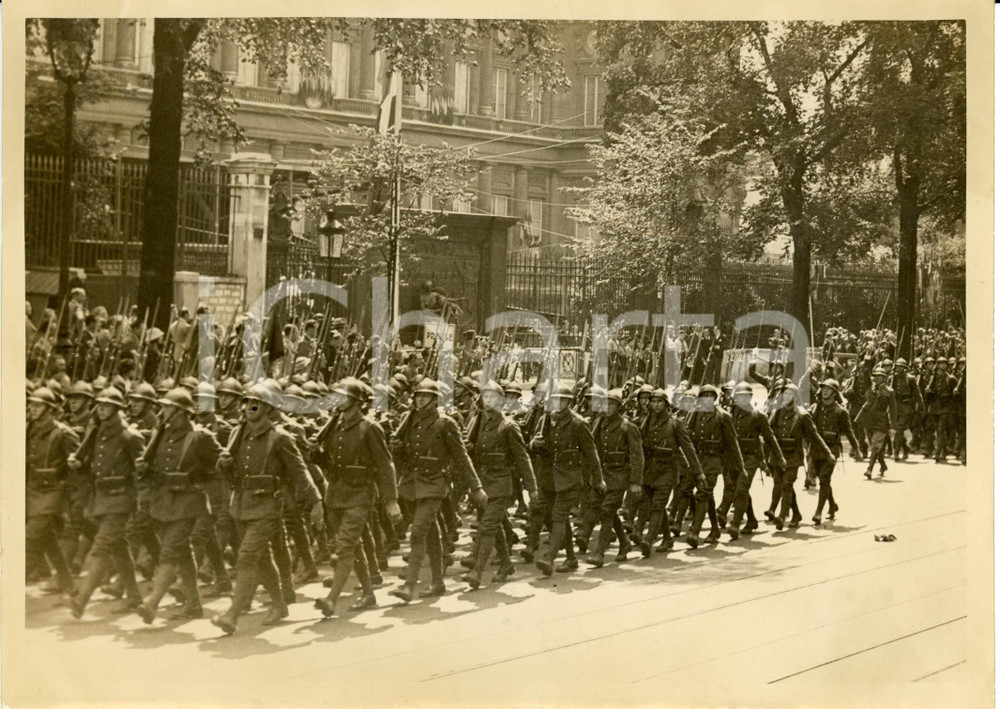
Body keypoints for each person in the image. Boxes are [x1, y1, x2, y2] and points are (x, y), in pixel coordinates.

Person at [211, 384, 320, 634]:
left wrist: (316, 502)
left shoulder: (280, 437)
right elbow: (230, 470)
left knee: (247, 556)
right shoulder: (238, 434)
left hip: (268, 506)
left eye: (254, 404)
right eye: (246, 403)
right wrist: (224, 464)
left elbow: (300, 471)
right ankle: (280, 605)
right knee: (261, 559)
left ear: (268, 408)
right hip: (241, 505)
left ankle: (232, 614)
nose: (247, 408)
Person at [390, 378, 486, 602]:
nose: (420, 399)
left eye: (425, 396)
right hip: (412, 484)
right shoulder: (409, 420)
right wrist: (397, 448)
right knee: (431, 534)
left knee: (417, 533)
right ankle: (438, 582)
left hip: (434, 483)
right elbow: (403, 456)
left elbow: (462, 458)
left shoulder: (445, 423)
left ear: (435, 400)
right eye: (417, 395)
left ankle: (408, 586)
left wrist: (476, 487)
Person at [313, 378, 401, 617]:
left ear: (356, 401)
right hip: (336, 494)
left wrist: (391, 500)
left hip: (360, 494)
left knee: (345, 546)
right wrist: (314, 451)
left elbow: (385, 465)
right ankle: (369, 593)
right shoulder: (335, 425)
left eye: (344, 396)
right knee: (354, 546)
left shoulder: (369, 428)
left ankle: (332, 600)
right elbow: (328, 460)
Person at [134, 388, 222, 624]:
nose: (163, 411)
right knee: (182, 553)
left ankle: (151, 603)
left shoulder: (200, 437)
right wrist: (145, 469)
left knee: (170, 551)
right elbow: (153, 466)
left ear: (182, 412)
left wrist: (205, 487)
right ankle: (193, 605)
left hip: (188, 503)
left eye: (168, 407)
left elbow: (222, 463)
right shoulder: (161, 434)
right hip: (162, 502)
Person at [66, 388, 145, 617]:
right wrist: (78, 464)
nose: (101, 409)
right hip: (102, 497)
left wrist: (141, 502)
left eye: (107, 405)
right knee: (118, 548)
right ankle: (134, 597)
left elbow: (143, 470)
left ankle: (81, 600)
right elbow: (92, 463)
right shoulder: (99, 431)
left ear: (117, 408)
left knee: (101, 546)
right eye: (99, 405)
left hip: (121, 498)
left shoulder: (128, 435)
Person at [463, 381, 536, 586]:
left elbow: (522, 458)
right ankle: (506, 564)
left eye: (493, 397)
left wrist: (532, 488)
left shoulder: (509, 425)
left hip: (501, 483)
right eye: (485, 397)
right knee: (493, 527)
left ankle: (477, 571)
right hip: (483, 482)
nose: (488, 401)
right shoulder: (479, 423)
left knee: (487, 526)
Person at [578, 388, 643, 566]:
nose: (607, 408)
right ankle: (624, 543)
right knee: (600, 507)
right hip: (602, 475)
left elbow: (637, 456)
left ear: (619, 407)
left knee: (606, 511)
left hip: (619, 475)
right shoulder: (598, 424)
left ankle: (599, 553)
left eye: (611, 405)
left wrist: (636, 482)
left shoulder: (628, 427)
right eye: (605, 404)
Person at [26, 387, 81, 595]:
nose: (32, 408)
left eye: (38, 405)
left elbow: (78, 465)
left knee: (30, 539)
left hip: (54, 492)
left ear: (49, 409)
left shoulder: (63, 433)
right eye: (31, 404)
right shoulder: (29, 429)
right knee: (47, 537)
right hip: (32, 490)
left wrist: (71, 497)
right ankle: (67, 582)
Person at [723, 382, 786, 539]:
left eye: (745, 396)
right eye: (739, 396)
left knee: (741, 490)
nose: (742, 399)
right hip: (734, 458)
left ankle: (735, 524)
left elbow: (769, 438)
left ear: (751, 397)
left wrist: (779, 457)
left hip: (750, 457)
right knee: (741, 490)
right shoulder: (732, 413)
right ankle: (751, 520)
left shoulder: (758, 415)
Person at [766, 383, 832, 530]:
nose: (786, 397)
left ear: (795, 396)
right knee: (782, 484)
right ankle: (796, 514)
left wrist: (827, 453)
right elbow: (768, 434)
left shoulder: (802, 415)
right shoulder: (776, 413)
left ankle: (782, 516)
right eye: (785, 394)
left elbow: (814, 436)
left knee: (787, 484)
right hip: (778, 455)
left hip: (793, 456)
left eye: (790, 394)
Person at [686, 385, 746, 547]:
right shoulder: (695, 415)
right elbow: (686, 437)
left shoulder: (723, 417)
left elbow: (733, 444)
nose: (706, 399)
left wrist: (740, 467)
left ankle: (695, 531)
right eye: (703, 396)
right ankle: (714, 529)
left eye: (710, 396)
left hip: (714, 460)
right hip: (698, 459)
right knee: (707, 496)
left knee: (703, 494)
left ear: (715, 398)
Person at [809, 380, 861, 523]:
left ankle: (818, 512)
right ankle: (832, 505)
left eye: (828, 389)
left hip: (832, 449)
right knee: (822, 479)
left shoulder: (841, 411)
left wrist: (856, 448)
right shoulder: (815, 408)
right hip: (816, 448)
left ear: (834, 393)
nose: (825, 391)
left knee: (824, 478)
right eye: (823, 389)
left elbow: (849, 432)